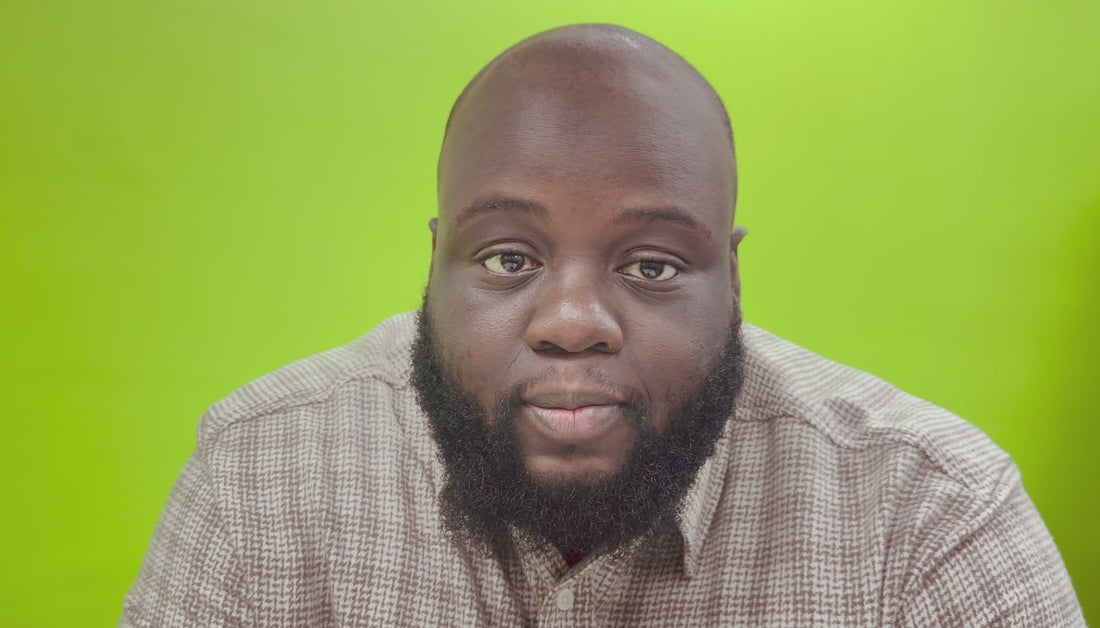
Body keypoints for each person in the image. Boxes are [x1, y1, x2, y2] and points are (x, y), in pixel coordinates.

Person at [120, 24, 1084, 626]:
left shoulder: (930, 514)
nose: (573, 324)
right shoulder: (260, 473)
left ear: (731, 276)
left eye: (652, 265)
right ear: (436, 263)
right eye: (508, 258)